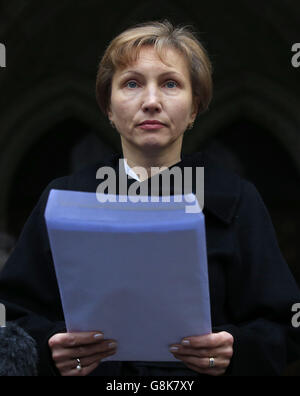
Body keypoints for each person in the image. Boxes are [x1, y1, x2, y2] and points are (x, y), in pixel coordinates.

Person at [0, 20, 300, 377]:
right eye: (132, 83)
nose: (152, 101)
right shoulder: (64, 198)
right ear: (109, 108)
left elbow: (285, 324)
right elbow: (11, 317)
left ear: (194, 108)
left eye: (170, 84)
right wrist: (51, 348)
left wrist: (235, 349)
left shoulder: (237, 201)